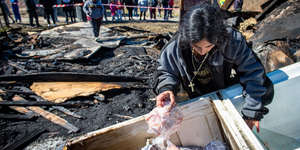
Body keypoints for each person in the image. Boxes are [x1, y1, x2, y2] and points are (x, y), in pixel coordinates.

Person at [152, 5, 274, 133]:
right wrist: (166, 89)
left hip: (223, 87)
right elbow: (165, 71)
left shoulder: (233, 41)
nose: (202, 52)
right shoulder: (174, 47)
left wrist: (252, 111)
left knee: (264, 86)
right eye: (196, 46)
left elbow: (253, 72)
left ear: (218, 37)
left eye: (209, 46)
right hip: (191, 93)